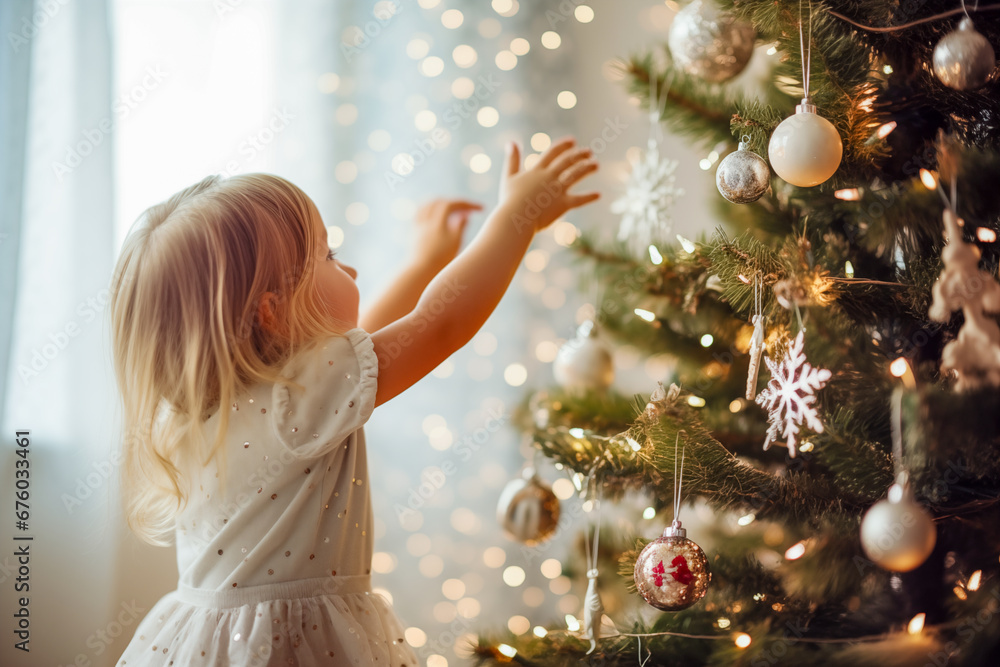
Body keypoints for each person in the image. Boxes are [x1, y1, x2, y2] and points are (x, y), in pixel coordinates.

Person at [110, 137, 599, 665]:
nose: (352, 271)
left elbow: (372, 342)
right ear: (271, 312)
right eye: (329, 256)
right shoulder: (300, 398)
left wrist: (424, 262)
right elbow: (439, 327)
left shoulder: (192, 414)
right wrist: (516, 218)